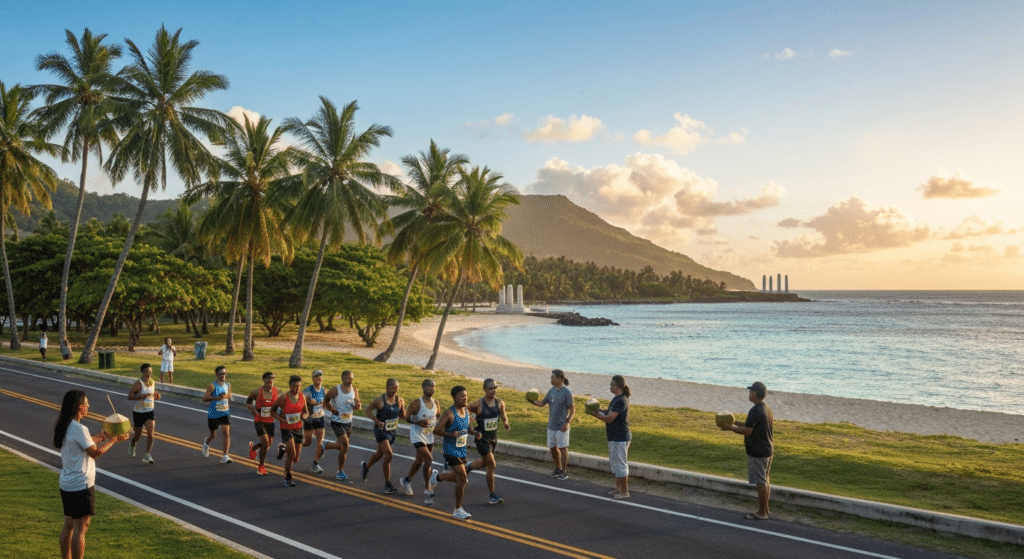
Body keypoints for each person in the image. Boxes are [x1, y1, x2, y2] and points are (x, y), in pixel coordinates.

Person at [54, 390, 130, 559]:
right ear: (80, 407)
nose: (89, 406)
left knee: (68, 524)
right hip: (81, 484)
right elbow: (94, 453)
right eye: (86, 403)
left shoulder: (65, 425)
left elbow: (83, 444)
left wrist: (103, 435)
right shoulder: (80, 428)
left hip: (67, 483)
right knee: (81, 527)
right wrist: (113, 440)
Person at [721, 381, 774, 520]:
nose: (749, 394)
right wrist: (733, 422)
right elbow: (749, 425)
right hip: (768, 450)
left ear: (755, 394)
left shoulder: (755, 410)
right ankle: (766, 510)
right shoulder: (766, 408)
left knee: (761, 482)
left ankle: (762, 513)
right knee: (765, 480)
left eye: (750, 392)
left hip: (759, 452)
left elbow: (748, 431)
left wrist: (730, 428)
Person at [429, 385, 477, 519]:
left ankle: (437, 477)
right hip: (450, 451)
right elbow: (436, 430)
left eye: (466, 396)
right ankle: (457, 509)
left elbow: (468, 426)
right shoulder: (449, 413)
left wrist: (474, 432)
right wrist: (451, 433)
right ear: (454, 398)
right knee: (462, 478)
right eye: (462, 396)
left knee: (460, 479)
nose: (465, 398)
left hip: (462, 451)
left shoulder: (466, 412)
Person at [467, 378, 511, 504]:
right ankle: (492, 495)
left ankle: (468, 467)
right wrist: (470, 422)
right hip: (481, 438)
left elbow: (503, 416)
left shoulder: (500, 403)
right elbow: (465, 410)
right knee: (491, 464)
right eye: (490, 388)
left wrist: (506, 423)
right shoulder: (478, 404)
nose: (493, 390)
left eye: (495, 387)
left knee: (486, 462)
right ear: (485, 390)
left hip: (493, 439)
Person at [587, 374, 631, 499]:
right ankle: (617, 489)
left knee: (621, 465)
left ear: (619, 387)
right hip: (613, 436)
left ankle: (624, 492)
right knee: (615, 464)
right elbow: (607, 412)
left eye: (612, 385)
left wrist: (595, 415)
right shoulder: (616, 399)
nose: (610, 387)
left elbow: (609, 419)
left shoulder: (621, 400)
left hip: (621, 437)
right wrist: (597, 410)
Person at [528, 369, 575, 479]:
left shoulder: (567, 392)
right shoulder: (551, 391)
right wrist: (532, 401)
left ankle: (564, 471)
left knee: (563, 449)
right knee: (553, 448)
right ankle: (558, 469)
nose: (551, 380)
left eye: (553, 378)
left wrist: (567, 422)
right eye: (551, 378)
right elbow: (542, 403)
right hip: (551, 426)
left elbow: (573, 410)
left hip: (562, 427)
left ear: (559, 379)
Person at [362, 377, 405, 494]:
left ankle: (366, 467)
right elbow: (367, 411)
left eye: (397, 388)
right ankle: (387, 484)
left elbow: (403, 416)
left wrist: (415, 418)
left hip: (392, 432)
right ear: (387, 387)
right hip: (381, 431)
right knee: (389, 455)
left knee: (379, 455)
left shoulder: (400, 401)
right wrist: (377, 421)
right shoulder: (379, 401)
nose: (395, 390)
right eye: (393, 388)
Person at [401, 379, 438, 502]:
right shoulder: (417, 403)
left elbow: (438, 417)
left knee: (419, 461)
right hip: (417, 435)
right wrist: (418, 422)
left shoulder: (436, 403)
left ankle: (407, 480)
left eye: (433, 387)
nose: (432, 389)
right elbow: (406, 417)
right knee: (428, 459)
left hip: (429, 436)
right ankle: (427, 487)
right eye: (429, 387)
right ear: (423, 388)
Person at [271, 374, 308, 487]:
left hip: (298, 428)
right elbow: (272, 411)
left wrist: (304, 417)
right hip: (286, 429)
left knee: (296, 458)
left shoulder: (302, 397)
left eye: (298, 386)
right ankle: (287, 476)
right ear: (289, 385)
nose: (296, 388)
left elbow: (306, 412)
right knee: (291, 455)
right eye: (294, 386)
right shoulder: (283, 398)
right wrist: (281, 419)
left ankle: (283, 449)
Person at [324, 370, 361, 481]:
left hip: (348, 422)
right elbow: (326, 400)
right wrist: (331, 409)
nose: (350, 380)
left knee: (343, 448)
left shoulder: (354, 390)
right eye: (348, 378)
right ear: (342, 378)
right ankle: (340, 471)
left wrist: (357, 405)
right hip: (337, 422)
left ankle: (325, 446)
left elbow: (358, 404)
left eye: (352, 378)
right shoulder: (336, 390)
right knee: (345, 444)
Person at [245, 371, 278, 476]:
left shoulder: (275, 392)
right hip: (259, 421)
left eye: (272, 380)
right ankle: (261, 466)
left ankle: (254, 448)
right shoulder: (256, 392)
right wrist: (253, 411)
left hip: (270, 421)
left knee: (269, 443)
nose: (270, 382)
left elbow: (277, 405)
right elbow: (248, 402)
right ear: (264, 380)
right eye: (268, 380)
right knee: (265, 442)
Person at [127, 363, 161, 464]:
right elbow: (130, 396)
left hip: (149, 411)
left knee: (151, 433)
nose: (149, 374)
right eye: (146, 372)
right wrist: (140, 396)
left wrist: (157, 396)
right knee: (138, 435)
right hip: (138, 412)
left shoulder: (152, 382)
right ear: (142, 372)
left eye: (150, 372)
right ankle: (132, 444)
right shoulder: (138, 383)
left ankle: (147, 455)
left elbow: (152, 394)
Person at [201, 366, 232, 463]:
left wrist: (227, 396)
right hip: (214, 414)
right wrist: (216, 398)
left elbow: (229, 394)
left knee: (226, 433)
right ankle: (207, 442)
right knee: (213, 435)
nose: (223, 376)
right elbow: (205, 398)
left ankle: (225, 456)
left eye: (224, 373)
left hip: (225, 413)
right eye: (220, 374)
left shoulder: (228, 385)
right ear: (217, 375)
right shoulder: (212, 386)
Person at [301, 369, 327, 473]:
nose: (319, 379)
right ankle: (294, 443)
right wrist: (308, 404)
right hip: (310, 419)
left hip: (320, 417)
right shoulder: (308, 390)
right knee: (307, 442)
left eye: (320, 377)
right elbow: (301, 403)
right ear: (313, 379)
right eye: (316, 377)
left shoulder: (323, 390)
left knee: (320, 442)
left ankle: (315, 464)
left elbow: (325, 402)